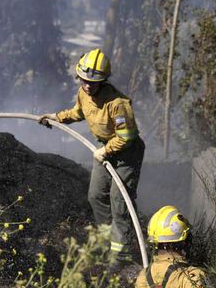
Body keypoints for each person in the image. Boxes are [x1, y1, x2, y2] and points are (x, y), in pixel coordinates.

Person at [38, 48, 145, 270]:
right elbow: (78, 112)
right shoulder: (83, 94)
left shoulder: (117, 104)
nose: (88, 86)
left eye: (93, 83)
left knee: (119, 200)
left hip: (126, 154)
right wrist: (56, 118)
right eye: (84, 80)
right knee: (96, 195)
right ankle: (107, 242)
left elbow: (127, 137)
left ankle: (121, 254)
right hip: (103, 148)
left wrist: (105, 151)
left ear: (103, 81)